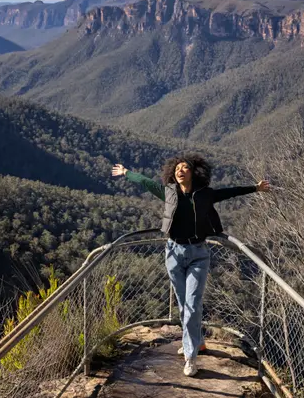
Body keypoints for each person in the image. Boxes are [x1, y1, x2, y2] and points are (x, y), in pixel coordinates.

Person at [111, 154, 269, 377]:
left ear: (194, 172)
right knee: (184, 305)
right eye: (177, 168)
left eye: (185, 168)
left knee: (193, 304)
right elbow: (146, 182)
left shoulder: (205, 195)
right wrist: (127, 173)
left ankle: (190, 356)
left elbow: (230, 191)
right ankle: (198, 342)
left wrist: (255, 188)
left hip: (198, 254)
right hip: (173, 253)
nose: (180, 171)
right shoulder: (169, 192)